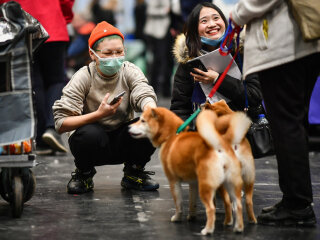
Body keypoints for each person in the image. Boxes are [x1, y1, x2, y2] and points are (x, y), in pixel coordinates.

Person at [230, 0, 320, 226]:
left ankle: (298, 205)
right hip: (302, 45)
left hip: (283, 48)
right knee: (293, 123)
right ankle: (295, 199)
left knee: (286, 125)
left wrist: (237, 15)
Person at [53, 21, 159, 194]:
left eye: (119, 52)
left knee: (150, 123)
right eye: (108, 53)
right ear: (93, 54)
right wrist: (98, 115)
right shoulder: (83, 76)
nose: (114, 57)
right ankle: (84, 174)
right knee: (88, 135)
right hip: (93, 141)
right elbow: (61, 123)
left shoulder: (129, 70)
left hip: (123, 139)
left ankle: (134, 172)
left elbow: (143, 91)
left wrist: (150, 109)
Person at [0, 0, 75, 155]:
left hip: (23, 28)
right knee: (56, 80)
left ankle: (41, 137)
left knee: (35, 81)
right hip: (54, 25)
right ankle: (51, 127)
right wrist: (64, 16)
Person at [170, 2, 263, 125]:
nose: (212, 24)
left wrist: (218, 80)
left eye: (216, 18)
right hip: (205, 133)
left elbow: (255, 97)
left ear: (224, 22)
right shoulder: (189, 62)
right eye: (204, 21)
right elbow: (179, 108)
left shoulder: (241, 52)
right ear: (194, 29)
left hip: (245, 129)